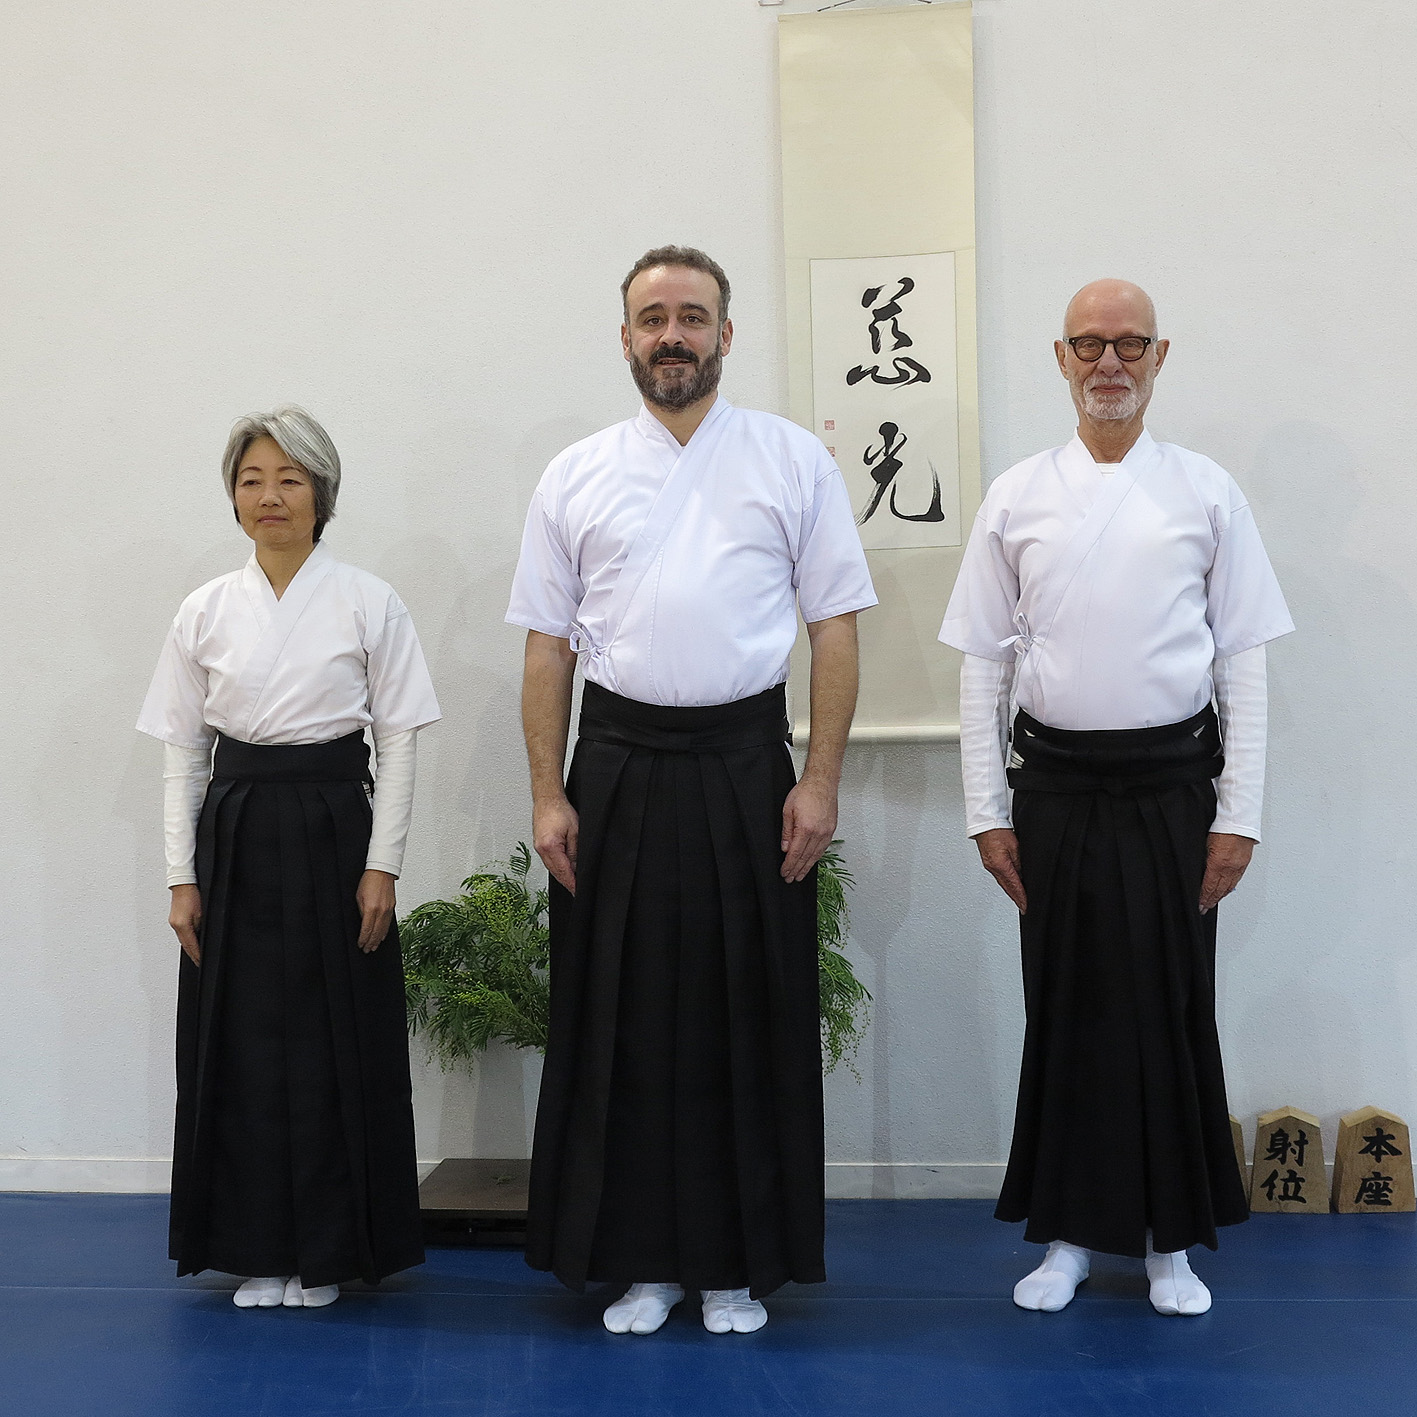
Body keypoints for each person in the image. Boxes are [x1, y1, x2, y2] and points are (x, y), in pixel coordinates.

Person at [506, 245, 876, 1335]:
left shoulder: (790, 460)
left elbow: (834, 627)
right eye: (653, 317)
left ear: (726, 333)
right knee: (620, 1015)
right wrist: (547, 792)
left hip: (745, 765)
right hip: (616, 765)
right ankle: (642, 1260)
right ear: (624, 337)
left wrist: (818, 780)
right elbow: (546, 647)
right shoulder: (575, 473)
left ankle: (732, 1263)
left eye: (693, 316)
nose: (673, 334)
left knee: (742, 1015)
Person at [939, 280, 1293, 1316]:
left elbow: (1242, 662)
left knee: (1171, 1009)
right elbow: (982, 664)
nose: (1108, 362)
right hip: (1051, 788)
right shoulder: (1016, 495)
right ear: (1059, 357)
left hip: (1173, 787)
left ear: (1158, 355)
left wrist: (1238, 814)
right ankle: (1066, 1239)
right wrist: (985, 809)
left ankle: (1167, 1243)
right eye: (1088, 343)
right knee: (1063, 1010)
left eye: (1129, 344)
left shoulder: (1205, 491)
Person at [137, 406, 440, 1309]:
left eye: (289, 479)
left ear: (321, 494)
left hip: (334, 828)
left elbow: (398, 741)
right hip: (232, 833)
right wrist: (181, 875)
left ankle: (331, 1249)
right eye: (251, 480)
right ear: (233, 499)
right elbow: (184, 751)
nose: (270, 496)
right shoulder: (203, 610)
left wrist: (382, 864)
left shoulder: (369, 600)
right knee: (239, 1045)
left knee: (330, 1040)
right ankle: (256, 1248)